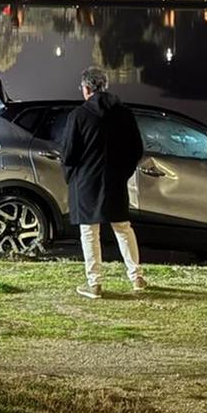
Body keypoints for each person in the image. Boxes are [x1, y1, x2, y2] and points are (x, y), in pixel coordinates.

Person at [60, 66, 146, 299]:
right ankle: (136, 276)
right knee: (123, 228)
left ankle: (95, 283)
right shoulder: (124, 114)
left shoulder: (78, 116)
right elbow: (136, 149)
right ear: (104, 86)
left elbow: (68, 153)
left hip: (85, 181)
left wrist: (71, 175)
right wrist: (123, 173)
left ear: (87, 88)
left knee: (89, 232)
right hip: (115, 180)